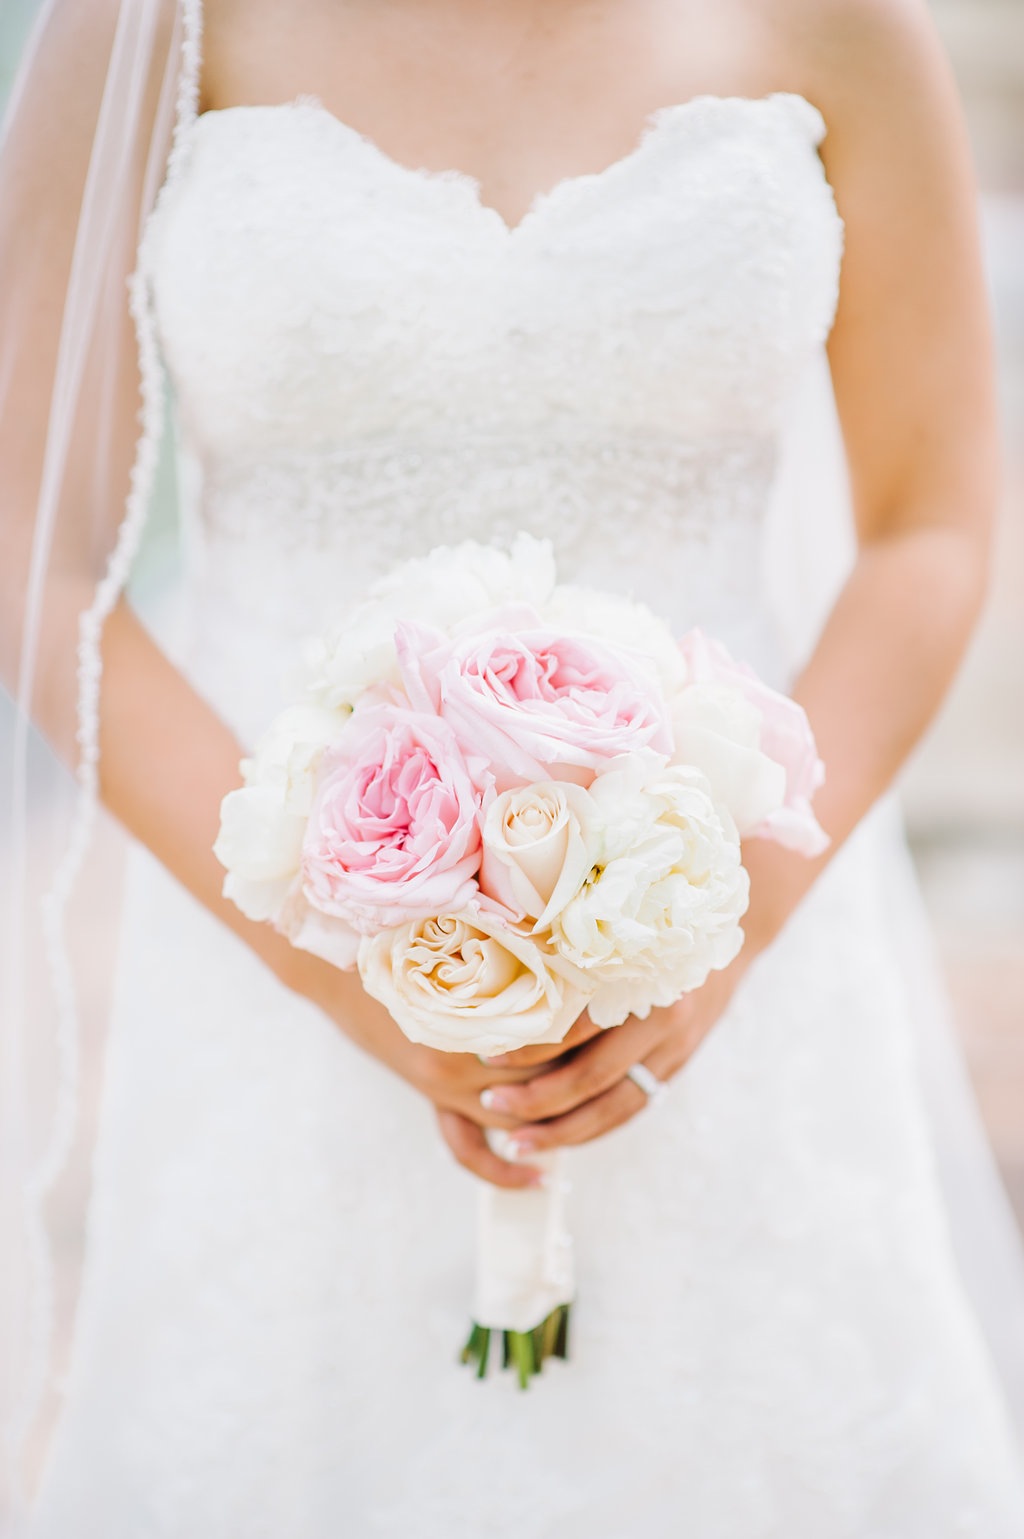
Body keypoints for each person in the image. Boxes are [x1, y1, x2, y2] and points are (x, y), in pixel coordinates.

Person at [2, 0, 1023, 1532]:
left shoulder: (843, 26)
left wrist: (721, 934)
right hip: (275, 957)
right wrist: (350, 968)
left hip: (742, 946)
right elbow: (38, 555)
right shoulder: (152, 24)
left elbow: (930, 524)